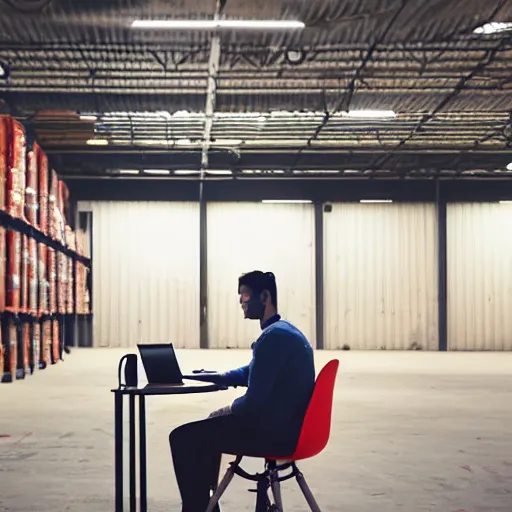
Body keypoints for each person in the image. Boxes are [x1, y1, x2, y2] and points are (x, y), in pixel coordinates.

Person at [169, 270, 316, 512]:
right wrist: (221, 376)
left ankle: (197, 508)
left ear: (265, 296)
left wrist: (225, 410)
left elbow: (254, 403)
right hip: (289, 426)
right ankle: (206, 506)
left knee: (183, 438)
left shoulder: (273, 338)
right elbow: (254, 370)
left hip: (275, 433)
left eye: (246, 295)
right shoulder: (284, 331)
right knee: (205, 431)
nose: (241, 301)